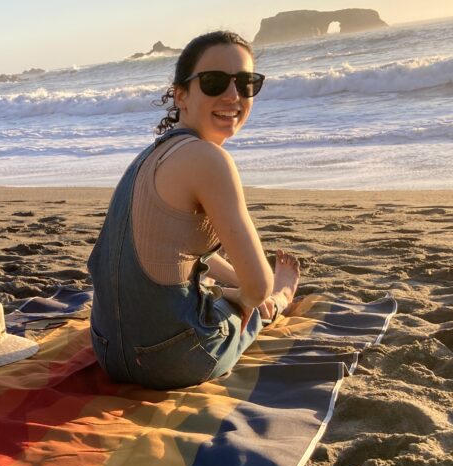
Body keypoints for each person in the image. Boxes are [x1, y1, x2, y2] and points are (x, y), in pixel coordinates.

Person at [87, 30, 301, 390]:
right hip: (171, 359)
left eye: (247, 83)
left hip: (107, 350)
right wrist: (244, 295)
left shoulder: (148, 157)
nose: (233, 95)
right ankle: (283, 303)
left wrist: (227, 284)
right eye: (215, 82)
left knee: (215, 283)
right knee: (260, 299)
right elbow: (258, 285)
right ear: (180, 94)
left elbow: (175, 250)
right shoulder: (208, 159)